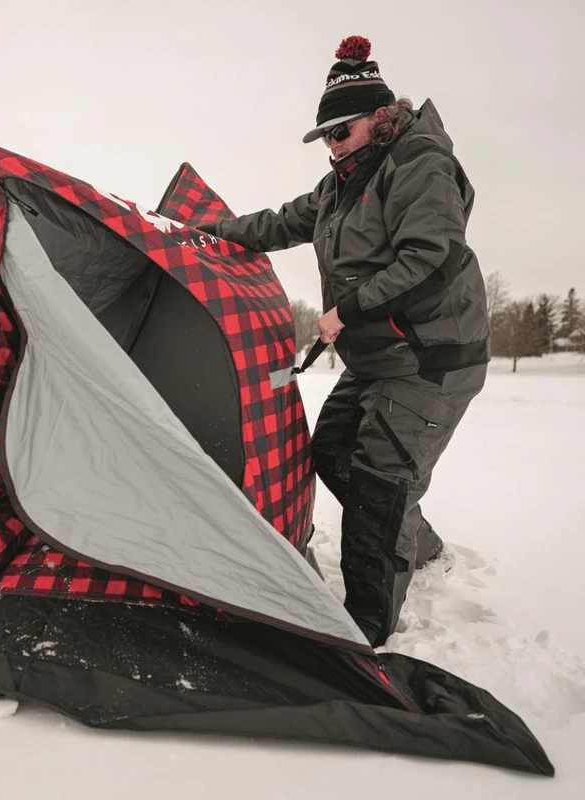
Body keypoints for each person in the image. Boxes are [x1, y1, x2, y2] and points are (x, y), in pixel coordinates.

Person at [199, 35, 490, 647]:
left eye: (340, 132)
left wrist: (344, 312)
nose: (331, 146)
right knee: (332, 452)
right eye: (325, 136)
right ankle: (420, 547)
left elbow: (431, 258)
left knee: (380, 483)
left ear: (379, 118)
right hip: (378, 356)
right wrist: (207, 233)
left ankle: (363, 632)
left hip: (429, 357)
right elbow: (279, 222)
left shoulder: (419, 164)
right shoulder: (340, 185)